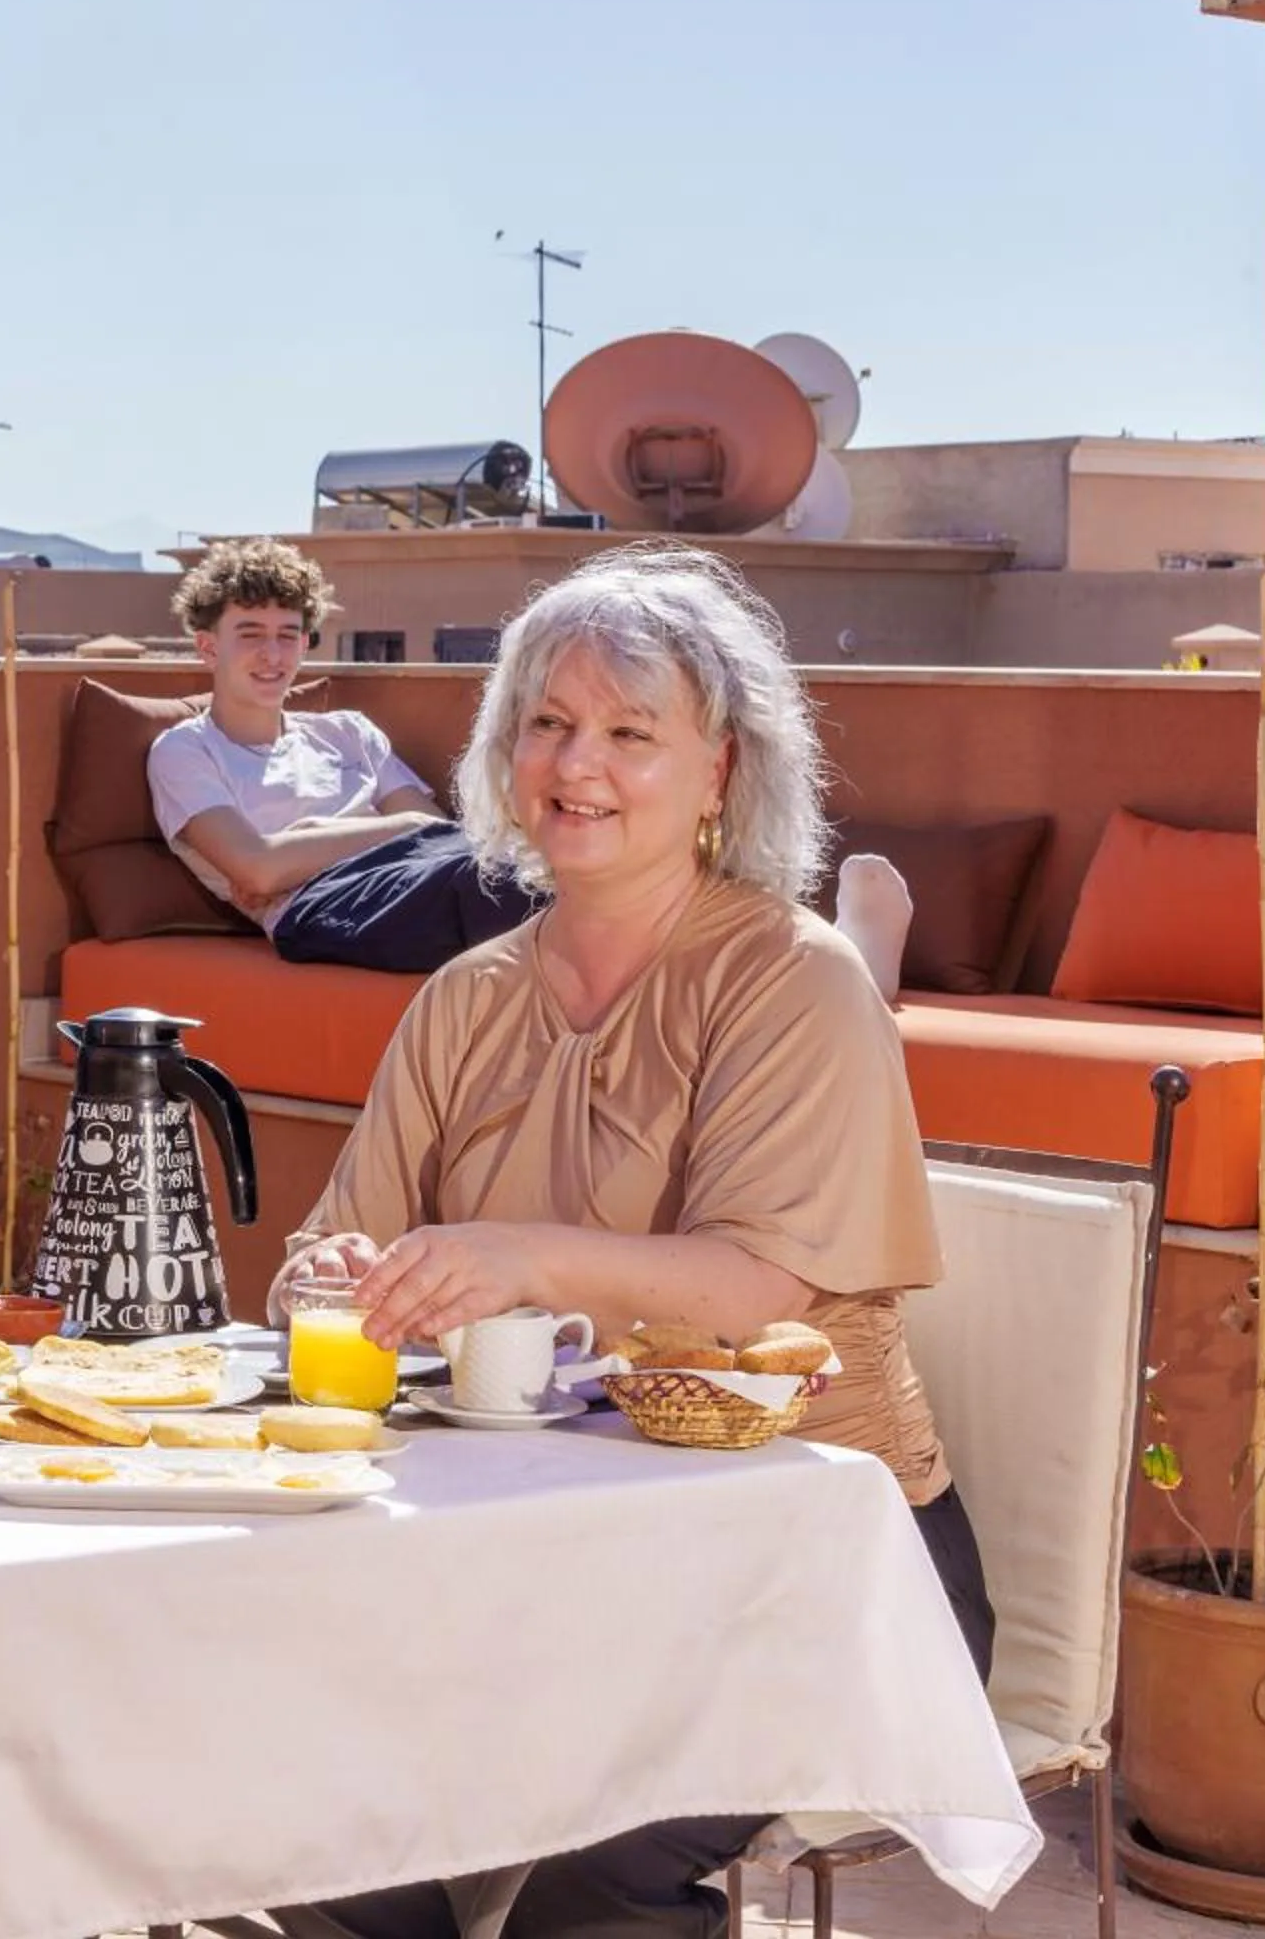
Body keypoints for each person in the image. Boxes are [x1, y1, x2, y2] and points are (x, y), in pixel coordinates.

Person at [265, 542, 990, 1939]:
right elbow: (321, 1259)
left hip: (824, 1568)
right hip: (529, 1572)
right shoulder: (466, 999)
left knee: (592, 1878)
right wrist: (344, 1279)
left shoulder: (795, 980)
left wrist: (513, 1254)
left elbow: (756, 1281)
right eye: (545, 722)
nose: (574, 762)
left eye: (628, 731)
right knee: (313, 1818)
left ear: (721, 768)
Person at [149, 537, 532, 973]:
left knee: (539, 861)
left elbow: (433, 832)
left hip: (414, 871)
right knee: (494, 880)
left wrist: (305, 839)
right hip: (321, 904)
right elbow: (256, 870)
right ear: (208, 647)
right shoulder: (185, 750)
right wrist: (397, 826)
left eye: (288, 636)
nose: (272, 655)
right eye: (250, 634)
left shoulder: (348, 732)